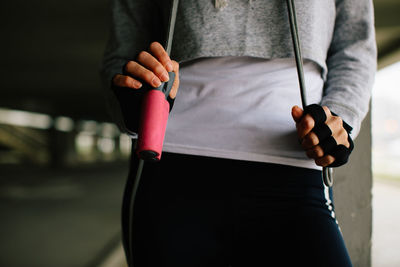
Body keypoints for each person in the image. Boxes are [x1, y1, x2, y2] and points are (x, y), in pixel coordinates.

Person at [100, 0, 376, 266]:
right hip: (170, 165)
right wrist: (131, 101)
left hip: (291, 166)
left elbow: (355, 46)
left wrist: (338, 118)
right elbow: (123, 54)